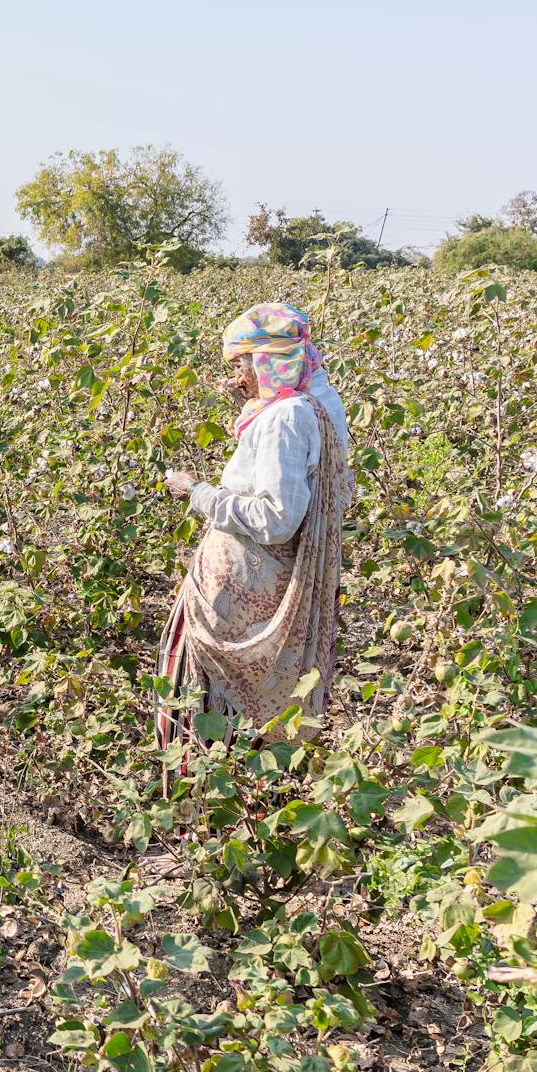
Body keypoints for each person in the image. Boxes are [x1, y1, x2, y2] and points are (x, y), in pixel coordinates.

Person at [156, 303, 352, 746]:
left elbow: (277, 519)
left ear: (270, 361)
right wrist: (252, 403)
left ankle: (207, 796)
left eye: (244, 363)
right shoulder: (318, 401)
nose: (239, 374)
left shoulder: (287, 418)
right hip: (263, 584)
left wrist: (197, 492)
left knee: (214, 704)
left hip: (240, 601)